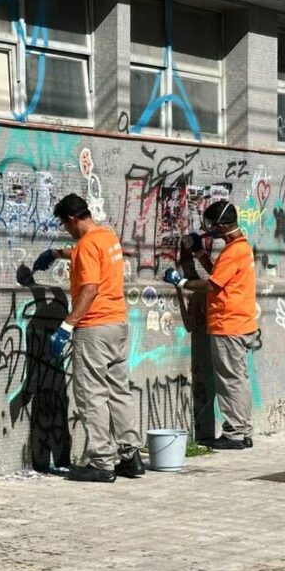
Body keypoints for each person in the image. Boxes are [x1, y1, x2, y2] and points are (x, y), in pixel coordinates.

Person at [32, 193, 144, 482]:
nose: (66, 230)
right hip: (118, 324)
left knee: (91, 394)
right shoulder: (107, 237)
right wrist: (58, 254)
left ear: (71, 219)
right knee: (119, 390)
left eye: (64, 225)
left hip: (94, 328)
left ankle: (102, 463)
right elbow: (88, 255)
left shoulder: (86, 245)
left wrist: (68, 325)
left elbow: (90, 288)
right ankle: (130, 457)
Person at [164, 200, 258, 450]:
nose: (209, 230)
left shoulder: (233, 251)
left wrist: (181, 282)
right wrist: (199, 255)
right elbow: (219, 274)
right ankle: (243, 430)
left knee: (230, 381)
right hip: (240, 322)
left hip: (229, 324)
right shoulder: (241, 248)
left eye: (212, 225)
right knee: (239, 379)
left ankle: (235, 434)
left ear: (222, 225)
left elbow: (212, 285)